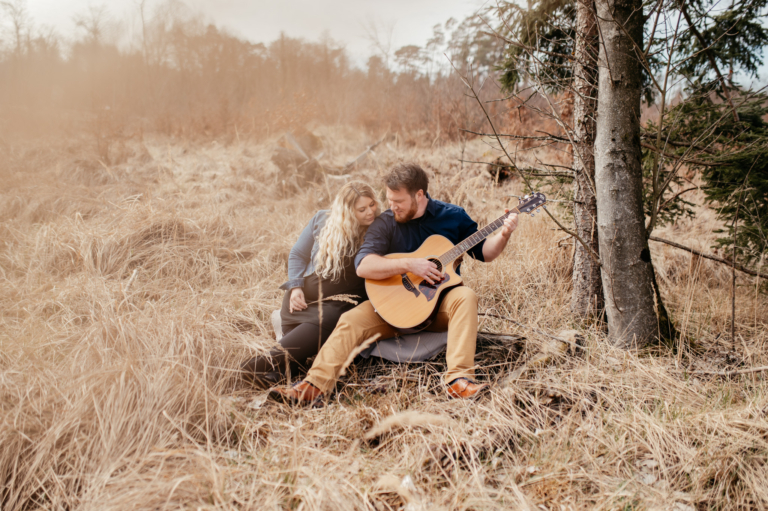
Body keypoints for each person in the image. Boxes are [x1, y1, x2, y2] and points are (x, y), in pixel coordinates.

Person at [269, 162, 518, 404]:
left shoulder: (453, 217)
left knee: (466, 296)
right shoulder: (385, 222)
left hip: (437, 305)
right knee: (350, 320)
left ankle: (458, 380)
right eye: (389, 200)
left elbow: (485, 253)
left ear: (419, 195)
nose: (391, 207)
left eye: (398, 201)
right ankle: (313, 387)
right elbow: (364, 265)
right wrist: (410, 265)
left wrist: (504, 234)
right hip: (390, 306)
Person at [241, 181, 380, 388]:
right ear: (347, 212)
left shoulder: (379, 228)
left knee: (326, 323)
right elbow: (298, 254)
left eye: (372, 205)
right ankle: (274, 376)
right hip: (302, 301)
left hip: (341, 304)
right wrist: (295, 288)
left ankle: (251, 367)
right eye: (362, 209)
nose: (370, 212)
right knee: (297, 352)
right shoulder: (322, 220)